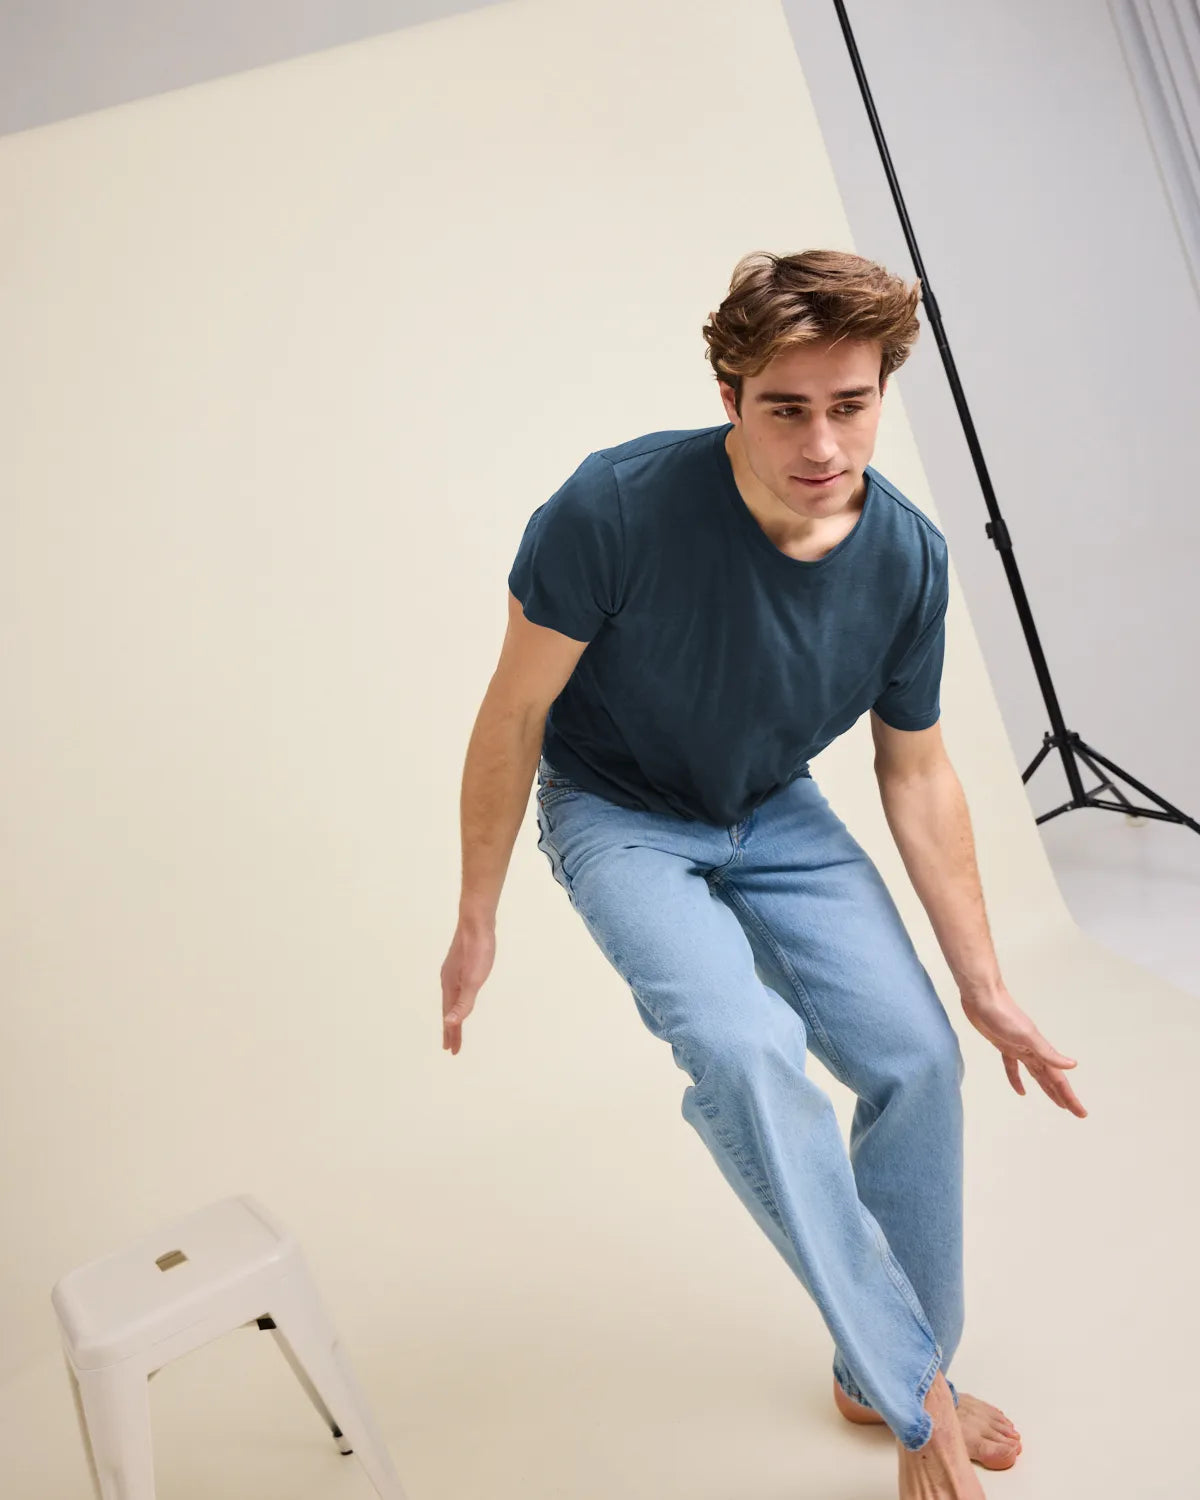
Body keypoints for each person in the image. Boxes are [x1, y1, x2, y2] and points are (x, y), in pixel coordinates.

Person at [439, 249, 1087, 1500]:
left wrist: (985, 982)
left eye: (850, 404)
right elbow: (515, 713)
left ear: (882, 393)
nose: (822, 440)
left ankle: (877, 1373)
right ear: (730, 395)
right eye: (786, 406)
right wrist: (479, 909)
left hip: (773, 814)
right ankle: (915, 1397)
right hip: (619, 814)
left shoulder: (907, 559)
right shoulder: (613, 507)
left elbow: (916, 773)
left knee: (917, 1057)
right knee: (743, 1052)